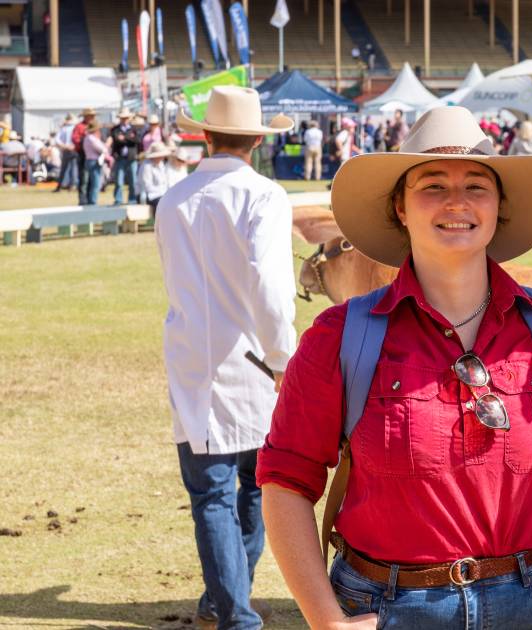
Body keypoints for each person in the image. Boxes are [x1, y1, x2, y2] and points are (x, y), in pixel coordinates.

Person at [257, 105, 532, 630]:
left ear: (499, 206)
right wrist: (326, 620)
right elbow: (285, 480)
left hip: (527, 602)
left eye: (476, 185)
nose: (456, 202)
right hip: (387, 606)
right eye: (431, 185)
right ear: (399, 207)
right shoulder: (341, 335)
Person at [156, 85, 298, 630]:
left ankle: (226, 599)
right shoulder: (264, 195)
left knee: (214, 493)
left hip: (196, 361)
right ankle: (233, 608)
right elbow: (270, 286)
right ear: (257, 141)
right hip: (256, 360)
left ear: (205, 136)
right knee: (254, 485)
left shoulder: (174, 199)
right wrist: (284, 354)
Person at [110, 108, 139, 205]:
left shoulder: (134, 129)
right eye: (123, 118)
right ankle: (118, 199)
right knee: (119, 180)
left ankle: (132, 199)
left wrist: (124, 137)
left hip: (131, 158)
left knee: (133, 180)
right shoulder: (115, 129)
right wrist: (129, 138)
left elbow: (136, 140)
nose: (124, 120)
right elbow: (117, 140)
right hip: (120, 158)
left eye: (126, 118)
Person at [139, 141, 173, 218]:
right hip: (149, 196)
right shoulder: (146, 166)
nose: (162, 157)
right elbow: (147, 186)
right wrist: (163, 193)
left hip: (161, 194)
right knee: (162, 203)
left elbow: (165, 182)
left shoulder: (161, 165)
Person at [72, 108, 95, 204]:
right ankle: (83, 200)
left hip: (93, 155)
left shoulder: (94, 126)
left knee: (92, 179)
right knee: (83, 178)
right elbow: (75, 139)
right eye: (90, 116)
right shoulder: (79, 127)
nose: (92, 118)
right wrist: (85, 141)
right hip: (83, 154)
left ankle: (91, 199)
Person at [81, 122, 107, 205]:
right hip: (94, 161)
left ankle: (91, 200)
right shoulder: (92, 138)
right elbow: (102, 149)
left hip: (90, 160)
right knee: (95, 183)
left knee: (91, 182)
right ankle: (93, 201)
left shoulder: (88, 138)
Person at [55, 115, 79, 192]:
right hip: (74, 149)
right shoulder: (75, 128)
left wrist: (64, 146)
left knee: (64, 169)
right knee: (74, 168)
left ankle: (60, 186)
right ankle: (73, 185)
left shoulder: (63, 128)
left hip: (66, 149)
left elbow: (57, 140)